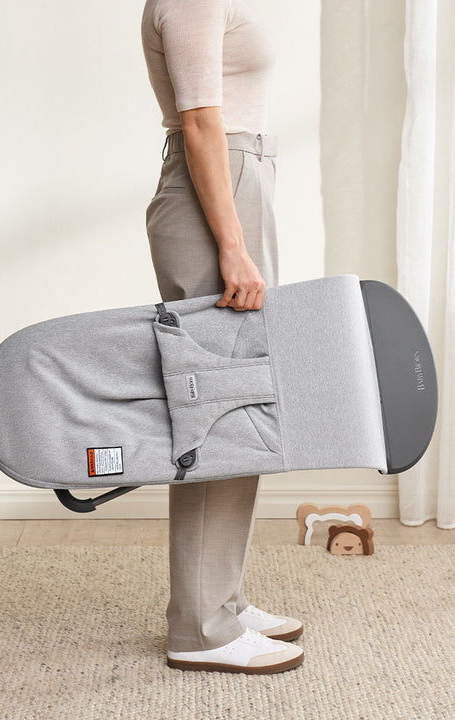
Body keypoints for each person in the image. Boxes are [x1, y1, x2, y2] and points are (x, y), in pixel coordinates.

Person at [141, 0, 304, 674]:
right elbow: (201, 120)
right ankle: (199, 628)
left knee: (244, 402)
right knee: (218, 411)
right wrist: (233, 247)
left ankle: (223, 601)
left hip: (239, 179)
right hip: (217, 189)